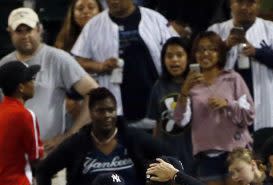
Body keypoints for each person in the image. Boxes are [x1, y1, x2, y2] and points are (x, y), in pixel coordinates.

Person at [36, 87, 170, 185]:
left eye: (111, 110)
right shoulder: (78, 143)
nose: (107, 115)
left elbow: (168, 156)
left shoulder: (133, 138)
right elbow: (43, 170)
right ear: (91, 113)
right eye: (100, 111)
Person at [174, 31, 255, 185]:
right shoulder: (191, 85)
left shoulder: (233, 78)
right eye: (201, 50)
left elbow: (250, 114)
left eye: (211, 49)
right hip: (207, 157)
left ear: (220, 53)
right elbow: (179, 120)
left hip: (234, 153)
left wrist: (227, 104)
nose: (206, 54)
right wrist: (184, 92)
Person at [2, 7, 99, 149]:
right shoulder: (4, 65)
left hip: (49, 152)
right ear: (10, 32)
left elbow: (95, 93)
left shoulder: (57, 58)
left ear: (39, 29)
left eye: (28, 30)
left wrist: (70, 135)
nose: (24, 35)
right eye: (19, 31)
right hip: (12, 154)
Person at [71, 0, 175, 128]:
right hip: (115, 113)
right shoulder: (94, 25)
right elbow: (77, 62)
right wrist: (100, 66)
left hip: (156, 106)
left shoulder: (155, 19)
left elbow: (178, 51)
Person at [208, 0, 273, 130]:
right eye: (240, 2)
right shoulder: (216, 30)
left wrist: (257, 52)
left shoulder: (271, 29)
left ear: (259, 5)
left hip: (263, 107)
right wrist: (225, 46)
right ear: (231, 4)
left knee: (263, 146)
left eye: (251, 2)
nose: (245, 7)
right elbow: (202, 62)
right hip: (224, 107)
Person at [0, 60, 43, 185]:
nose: (34, 83)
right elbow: (35, 157)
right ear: (21, 86)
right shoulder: (25, 115)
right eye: (30, 79)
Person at [147, 37, 195, 174]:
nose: (174, 60)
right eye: (169, 56)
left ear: (188, 58)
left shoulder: (196, 85)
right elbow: (157, 124)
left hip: (193, 153)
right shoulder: (158, 86)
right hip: (167, 154)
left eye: (179, 55)